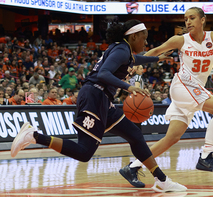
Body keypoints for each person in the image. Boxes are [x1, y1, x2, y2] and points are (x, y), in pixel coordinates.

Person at [11, 19, 186, 193]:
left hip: (102, 98)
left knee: (135, 135)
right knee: (84, 152)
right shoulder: (121, 51)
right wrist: (129, 86)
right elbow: (103, 73)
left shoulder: (122, 49)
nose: (146, 42)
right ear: (133, 37)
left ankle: (161, 180)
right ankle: (33, 136)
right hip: (95, 97)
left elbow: (134, 59)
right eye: (144, 38)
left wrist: (156, 58)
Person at [120, 8, 213, 187]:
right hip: (183, 85)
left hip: (193, 89)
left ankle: (133, 167)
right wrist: (129, 64)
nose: (188, 22)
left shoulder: (212, 36)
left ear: (203, 20)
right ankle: (206, 155)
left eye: (192, 18)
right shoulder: (180, 40)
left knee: (171, 138)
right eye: (186, 19)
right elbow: (155, 51)